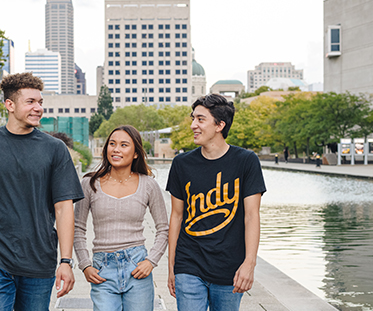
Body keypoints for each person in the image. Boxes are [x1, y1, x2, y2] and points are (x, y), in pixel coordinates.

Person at [0, 72, 84, 311]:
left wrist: (66, 261)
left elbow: (64, 208)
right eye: (31, 102)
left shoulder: (55, 150)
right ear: (10, 105)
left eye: (40, 102)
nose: (38, 108)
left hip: (39, 261)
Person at [166, 94, 266, 311]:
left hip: (229, 265)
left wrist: (249, 263)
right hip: (189, 263)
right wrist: (172, 265)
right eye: (193, 118)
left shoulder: (246, 162)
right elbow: (176, 216)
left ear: (220, 125)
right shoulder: (181, 164)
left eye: (200, 119)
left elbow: (252, 215)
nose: (193, 125)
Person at [74, 125, 169, 311]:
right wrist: (85, 265)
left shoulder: (148, 184)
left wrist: (151, 261)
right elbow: (78, 228)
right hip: (103, 269)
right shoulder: (89, 183)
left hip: (137, 266)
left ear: (135, 153)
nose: (116, 149)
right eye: (112, 144)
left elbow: (164, 228)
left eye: (124, 145)